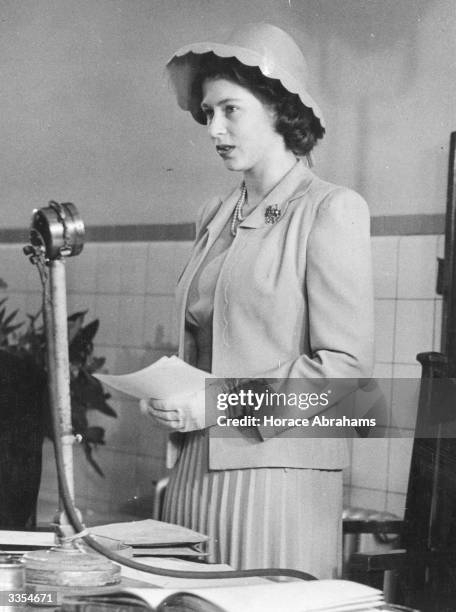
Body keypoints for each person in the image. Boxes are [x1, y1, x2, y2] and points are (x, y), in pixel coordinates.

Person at [140, 22, 374, 579]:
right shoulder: (214, 214)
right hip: (196, 464)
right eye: (207, 113)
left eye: (230, 110)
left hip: (276, 473)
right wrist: (171, 395)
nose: (214, 128)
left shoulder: (330, 209)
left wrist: (218, 405)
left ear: (277, 108)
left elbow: (343, 370)